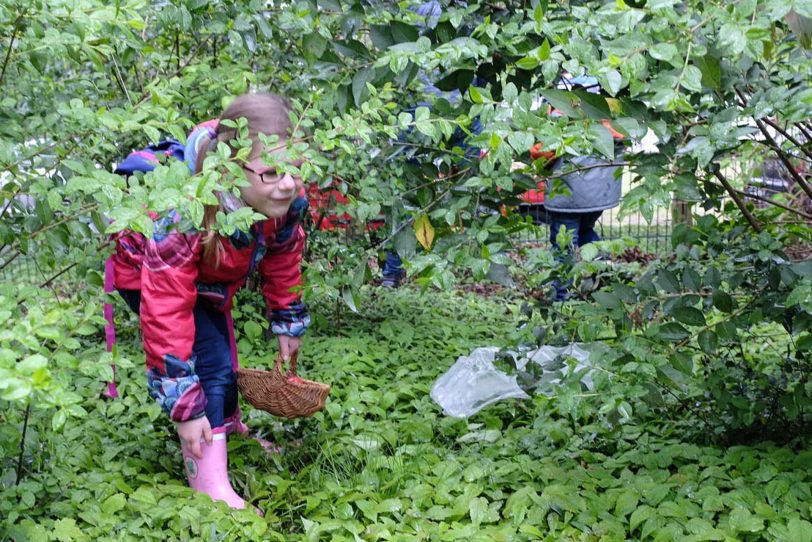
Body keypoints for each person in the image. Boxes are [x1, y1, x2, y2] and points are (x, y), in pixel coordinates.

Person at [110, 93, 310, 510]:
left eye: (294, 167)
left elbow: (284, 254)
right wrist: (184, 403)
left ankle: (222, 424)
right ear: (232, 171)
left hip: (203, 276)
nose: (288, 183)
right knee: (211, 362)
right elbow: (166, 308)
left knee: (220, 350)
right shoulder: (186, 212)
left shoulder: (284, 201)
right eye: (272, 172)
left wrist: (287, 316)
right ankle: (209, 481)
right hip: (147, 273)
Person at [540, 74, 625, 300]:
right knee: (585, 230)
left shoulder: (559, 116)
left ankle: (561, 298)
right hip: (599, 196)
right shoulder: (610, 117)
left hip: (568, 197)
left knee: (563, 247)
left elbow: (541, 151)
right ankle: (601, 265)